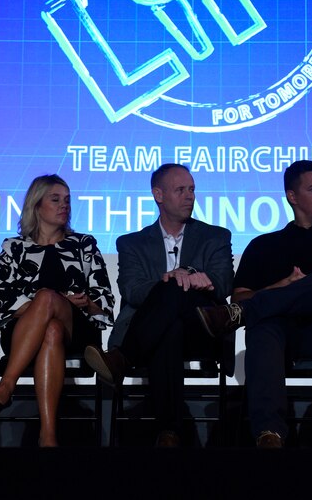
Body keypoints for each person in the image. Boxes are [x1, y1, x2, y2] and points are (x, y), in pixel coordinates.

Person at [197, 160, 312, 448]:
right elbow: (239, 297)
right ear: (292, 197)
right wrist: (281, 287)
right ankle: (269, 434)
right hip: (285, 338)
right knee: (263, 327)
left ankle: (239, 316)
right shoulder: (264, 246)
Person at [84, 163, 233, 448]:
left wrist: (186, 275)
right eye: (181, 190)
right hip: (157, 332)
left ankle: (123, 358)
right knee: (169, 326)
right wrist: (171, 280)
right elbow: (132, 290)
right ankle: (169, 433)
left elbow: (223, 283)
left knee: (175, 295)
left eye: (192, 189)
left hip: (201, 329)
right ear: (158, 195)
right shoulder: (132, 243)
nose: (189, 196)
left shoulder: (216, 236)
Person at [0, 174, 115, 447]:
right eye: (55, 199)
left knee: (48, 302)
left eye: (67, 200)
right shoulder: (14, 248)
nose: (64, 205)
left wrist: (84, 303)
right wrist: (38, 306)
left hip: (76, 328)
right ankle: (48, 436)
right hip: (24, 332)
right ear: (36, 205)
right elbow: (1, 306)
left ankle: (6, 386)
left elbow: (105, 303)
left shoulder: (84, 245)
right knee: (49, 325)